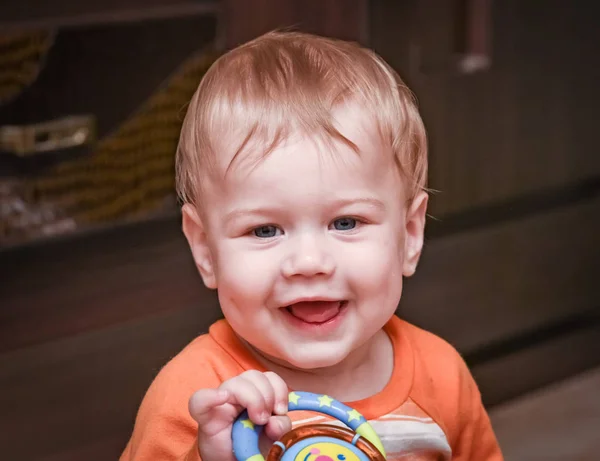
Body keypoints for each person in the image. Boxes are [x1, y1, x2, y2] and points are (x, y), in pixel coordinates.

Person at [120, 31, 503, 461]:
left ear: (410, 235)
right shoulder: (195, 397)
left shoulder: (442, 376)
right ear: (206, 251)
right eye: (265, 230)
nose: (308, 263)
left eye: (345, 222)